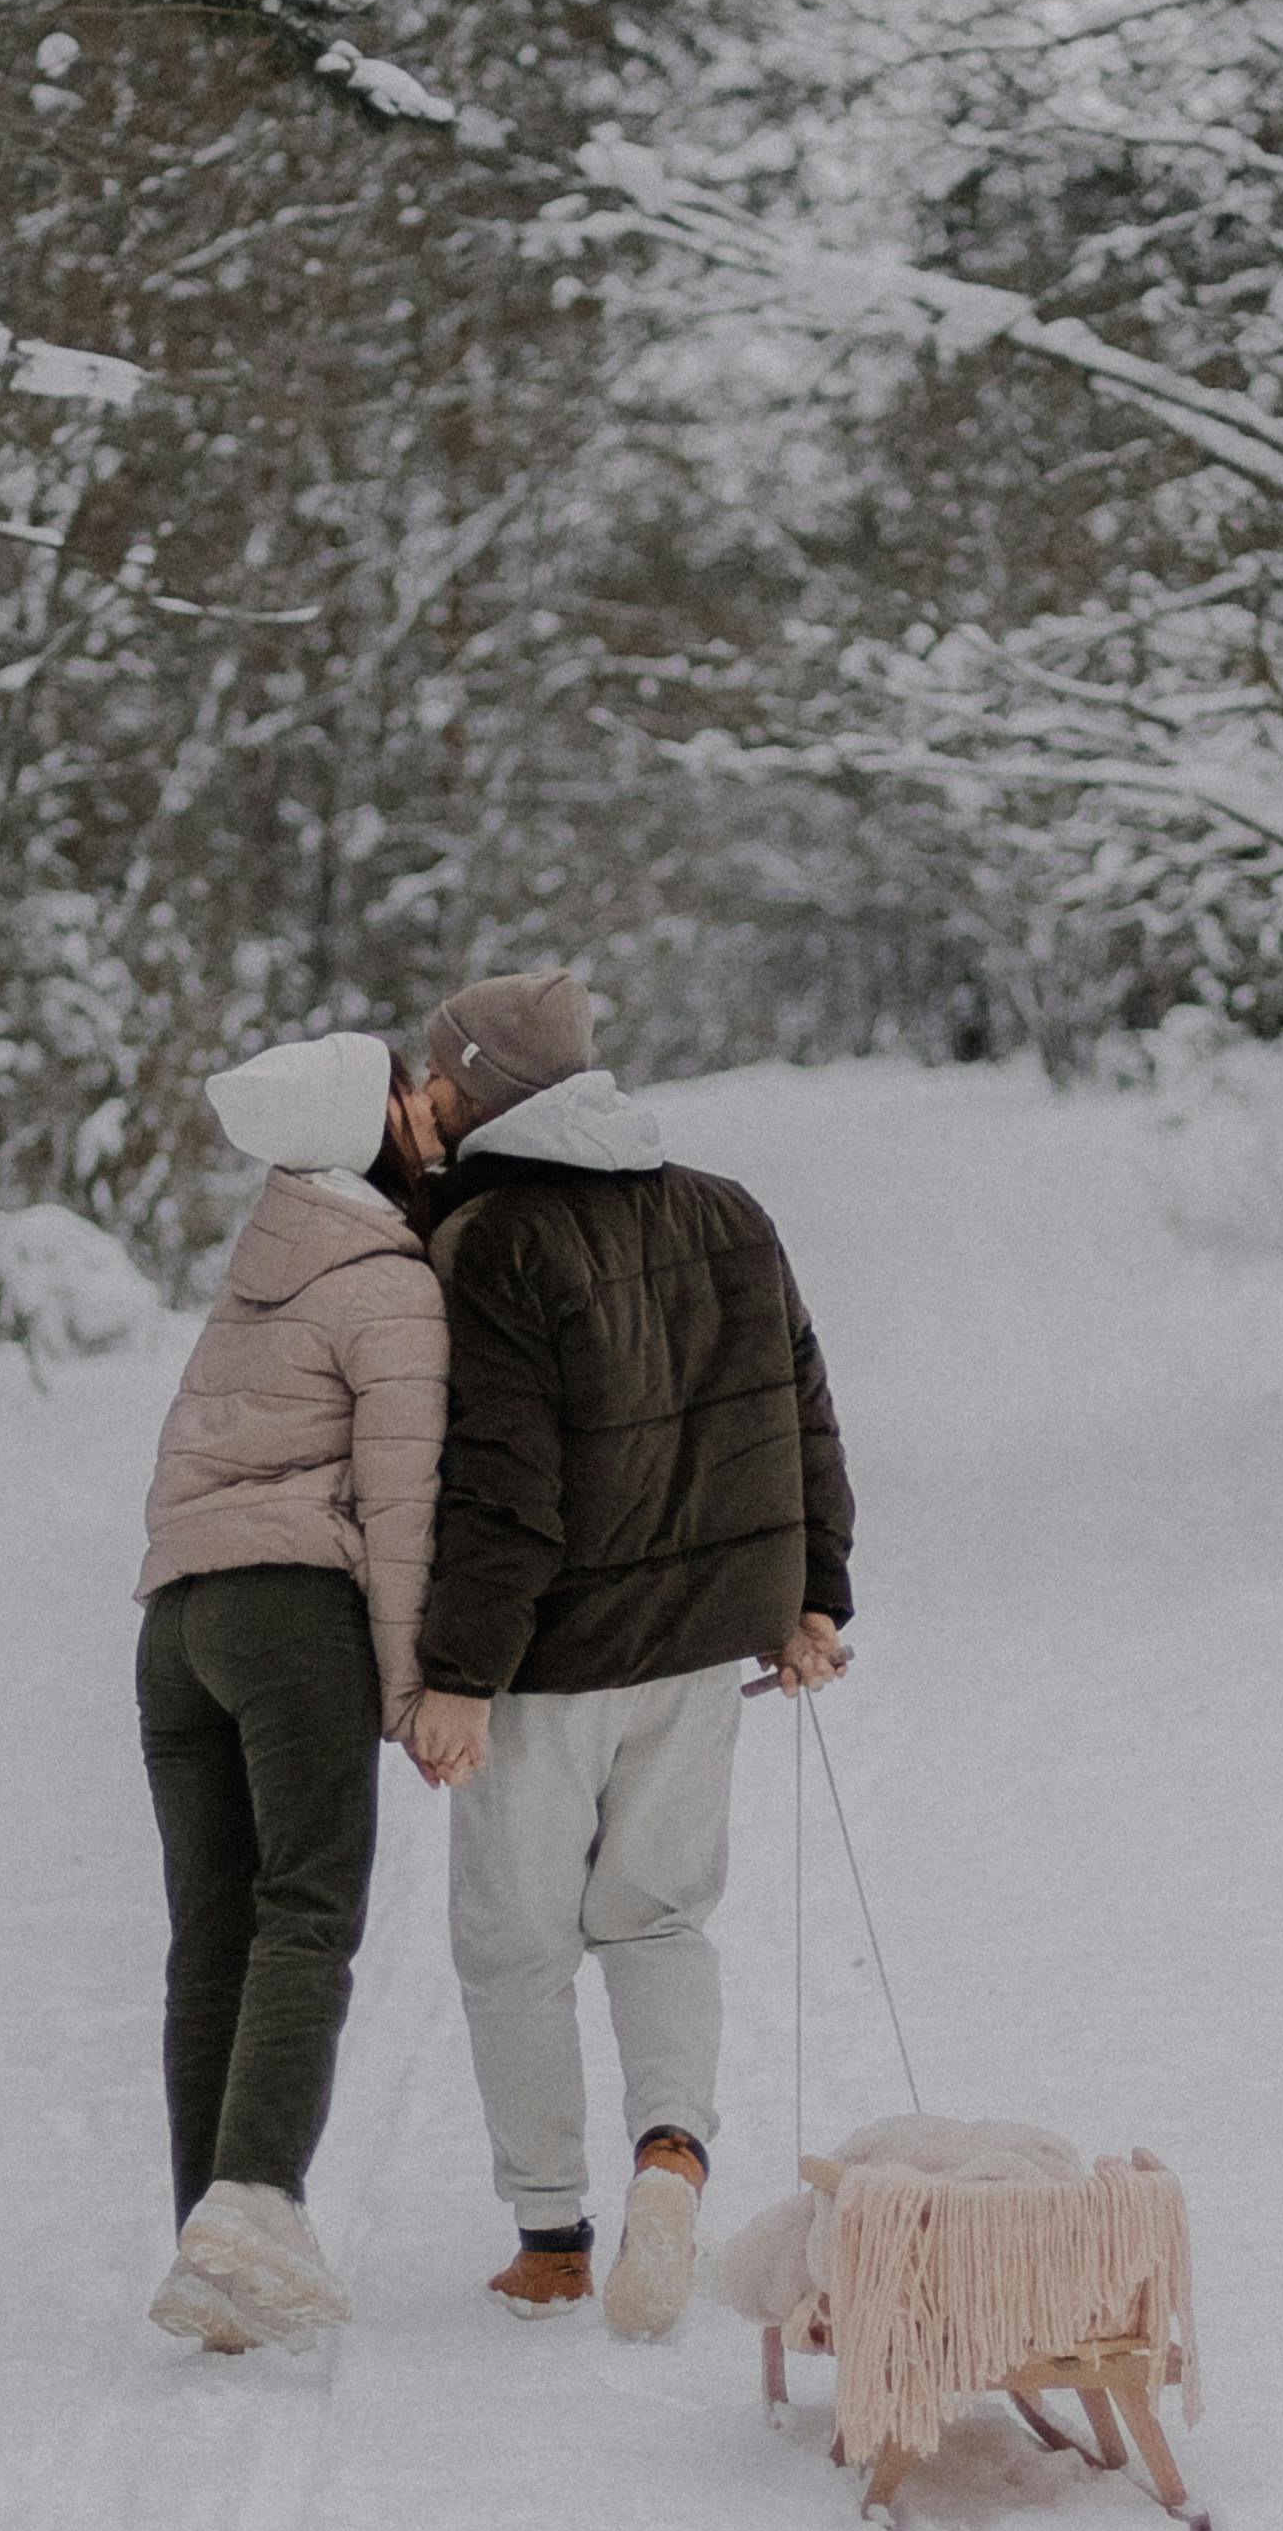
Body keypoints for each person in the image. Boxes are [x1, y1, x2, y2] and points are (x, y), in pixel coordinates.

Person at [398, 966, 854, 2336]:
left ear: (473, 1086)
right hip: (696, 1655)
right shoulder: (725, 1209)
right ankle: (674, 2156)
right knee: (657, 1917)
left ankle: (551, 2238)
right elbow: (802, 1407)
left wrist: (460, 1673)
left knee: (515, 1944)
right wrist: (816, 1592)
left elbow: (501, 1484)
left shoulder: (491, 1245)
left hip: (545, 1664)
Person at [132, 1029, 446, 2357]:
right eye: (401, 1094)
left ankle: (210, 2241)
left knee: (212, 1934)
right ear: (365, 1126)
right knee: (307, 1912)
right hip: (290, 1614)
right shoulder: (385, 1283)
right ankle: (256, 2200)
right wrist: (415, 1686)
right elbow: (402, 1502)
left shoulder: (261, 1261)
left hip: (175, 1628)